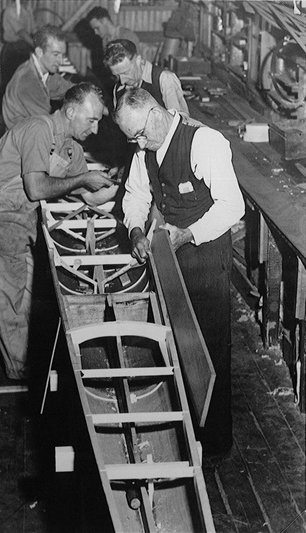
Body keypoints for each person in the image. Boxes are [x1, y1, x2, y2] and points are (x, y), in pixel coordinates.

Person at [113, 88, 245, 460]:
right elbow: (135, 196)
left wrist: (188, 234)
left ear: (155, 114)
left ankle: (216, 441)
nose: (136, 144)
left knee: (208, 347)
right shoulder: (145, 149)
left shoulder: (204, 142)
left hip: (205, 251)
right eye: (131, 138)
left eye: (138, 134)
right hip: (169, 251)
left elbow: (232, 206)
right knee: (177, 340)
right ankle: (185, 432)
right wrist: (136, 230)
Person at [0, 83, 119, 380]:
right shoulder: (39, 129)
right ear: (71, 111)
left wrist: (116, 186)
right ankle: (21, 374)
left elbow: (89, 197)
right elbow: (36, 187)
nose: (96, 129)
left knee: (23, 292)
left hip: (21, 215)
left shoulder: (71, 146)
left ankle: (24, 366)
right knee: (9, 297)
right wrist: (82, 180)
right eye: (91, 120)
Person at [2, 25, 75, 130]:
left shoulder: (42, 71)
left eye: (62, 55)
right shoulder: (28, 81)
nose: (61, 61)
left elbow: (64, 87)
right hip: (23, 142)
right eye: (56, 54)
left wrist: (89, 94)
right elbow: (49, 127)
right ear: (39, 52)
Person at [104, 39, 189, 116]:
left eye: (126, 73)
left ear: (138, 61)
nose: (122, 81)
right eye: (117, 75)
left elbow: (181, 123)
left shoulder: (164, 79)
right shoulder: (118, 89)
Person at [0, 0, 36, 88]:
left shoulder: (28, 10)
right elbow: (21, 32)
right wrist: (36, 45)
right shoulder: (10, 10)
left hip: (26, 50)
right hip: (13, 52)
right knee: (13, 86)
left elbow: (34, 30)